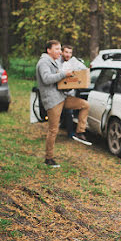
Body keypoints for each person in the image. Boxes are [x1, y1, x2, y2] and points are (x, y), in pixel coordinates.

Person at [36, 40, 91, 168]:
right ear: (48, 50)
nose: (60, 52)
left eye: (60, 49)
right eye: (57, 49)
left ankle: (79, 132)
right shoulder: (43, 62)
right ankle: (48, 159)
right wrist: (63, 74)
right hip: (52, 100)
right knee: (53, 130)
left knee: (84, 105)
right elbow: (46, 79)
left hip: (62, 97)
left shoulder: (55, 62)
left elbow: (60, 80)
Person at [58, 44, 76, 139]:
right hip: (59, 92)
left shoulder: (72, 62)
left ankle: (70, 133)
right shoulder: (57, 62)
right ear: (62, 52)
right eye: (66, 52)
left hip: (69, 92)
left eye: (70, 53)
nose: (68, 54)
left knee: (69, 112)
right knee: (60, 111)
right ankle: (60, 126)